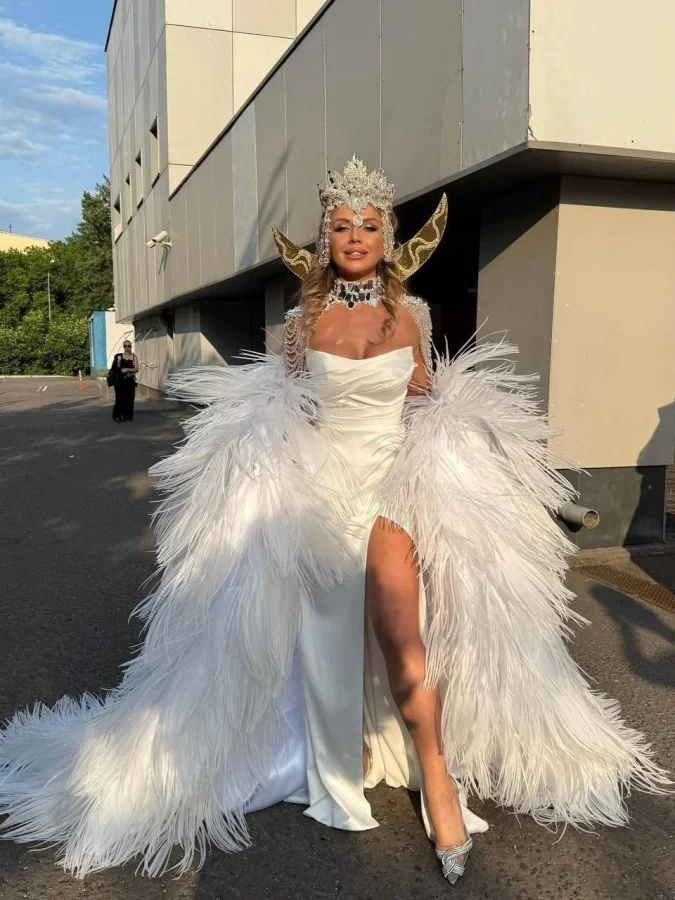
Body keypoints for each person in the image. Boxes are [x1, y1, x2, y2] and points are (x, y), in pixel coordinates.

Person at [0, 158, 669, 885]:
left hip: (393, 491)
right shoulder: (303, 322)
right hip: (322, 498)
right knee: (324, 636)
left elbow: (424, 402)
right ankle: (339, 755)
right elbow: (284, 412)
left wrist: (468, 467)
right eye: (342, 225)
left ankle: (437, 778)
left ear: (388, 237)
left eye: (369, 225)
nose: (355, 236)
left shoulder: (411, 316)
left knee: (402, 633)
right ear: (327, 238)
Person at [111, 340, 138, 422]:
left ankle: (127, 416)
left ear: (131, 347)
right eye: (125, 346)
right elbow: (117, 368)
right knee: (119, 399)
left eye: (129, 346)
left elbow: (136, 369)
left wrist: (127, 370)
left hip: (130, 381)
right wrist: (123, 371)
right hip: (120, 381)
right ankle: (117, 415)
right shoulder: (119, 356)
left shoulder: (134, 357)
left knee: (129, 399)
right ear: (123, 347)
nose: (127, 347)